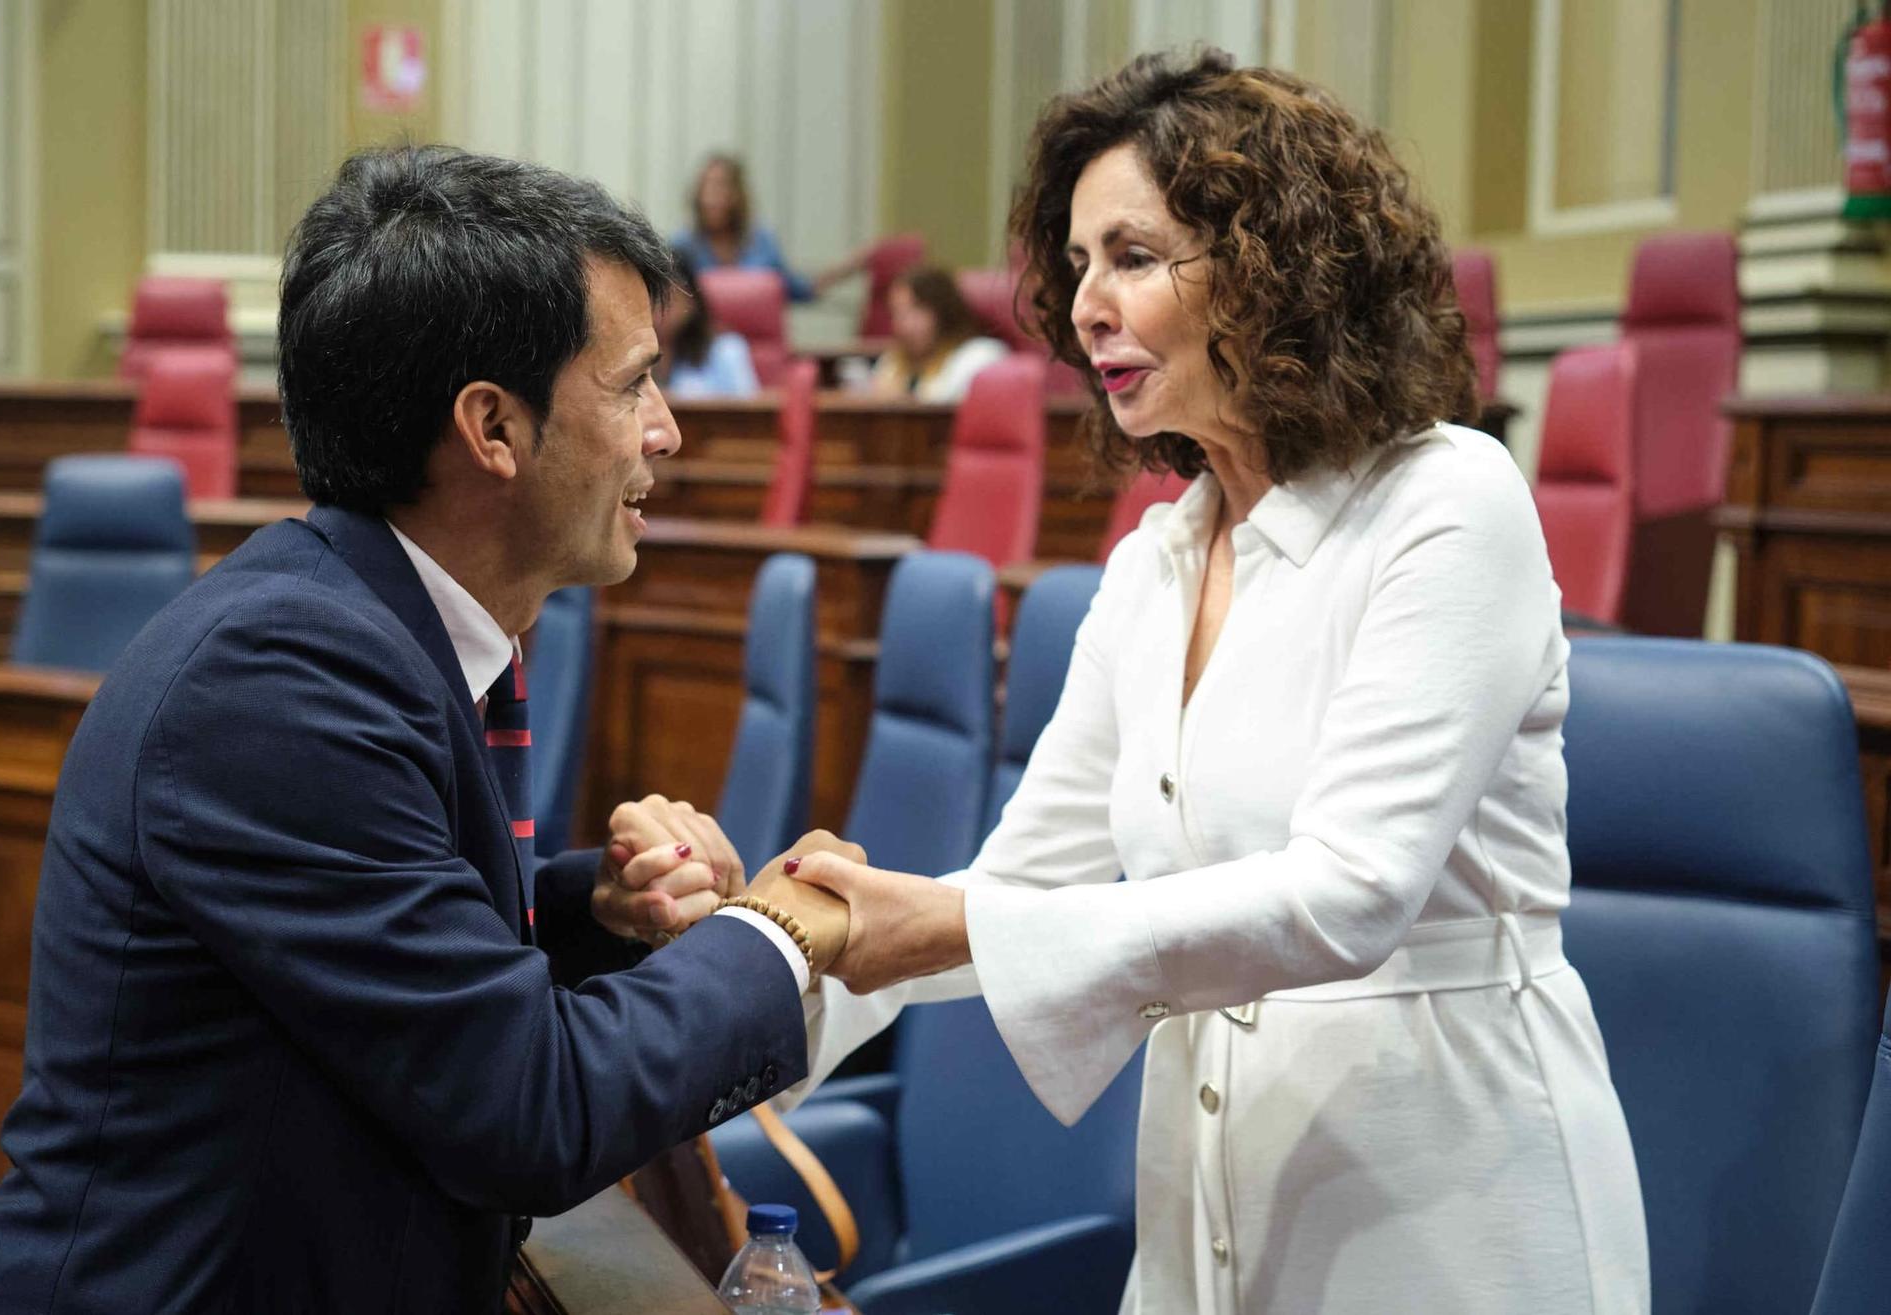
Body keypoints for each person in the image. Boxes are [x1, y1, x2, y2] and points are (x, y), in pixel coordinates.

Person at [774, 51, 1651, 1314]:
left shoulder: (1447, 501)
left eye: (1129, 257)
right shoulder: (1153, 562)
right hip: (1207, 1207)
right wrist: (764, 976)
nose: (1083, 307)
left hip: (1448, 1216)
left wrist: (955, 924)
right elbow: (1023, 886)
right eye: (1075, 266)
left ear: (1269, 268)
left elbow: (1349, 893)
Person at [0, 145, 859, 1314]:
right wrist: (784, 930)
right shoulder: (278, 679)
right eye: (633, 384)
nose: (666, 431)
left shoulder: (373, 629)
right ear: (492, 426)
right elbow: (527, 1112)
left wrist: (592, 911)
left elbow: (386, 974)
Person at [673, 153, 862, 302]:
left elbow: (796, 288)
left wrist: (848, 267)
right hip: (701, 346)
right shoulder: (682, 246)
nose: (711, 198)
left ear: (738, 194)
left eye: (721, 187)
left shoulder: (762, 241)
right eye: (705, 188)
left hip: (757, 345)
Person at [867, 266, 1011, 402]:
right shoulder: (893, 361)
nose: (905, 325)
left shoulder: (980, 357)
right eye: (897, 313)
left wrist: (904, 401)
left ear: (943, 311)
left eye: (917, 310)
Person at [657, 250, 760, 398]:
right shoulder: (634, 354)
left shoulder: (727, 350)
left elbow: (748, 415)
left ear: (692, 300)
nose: (658, 311)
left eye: (668, 301)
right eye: (651, 300)